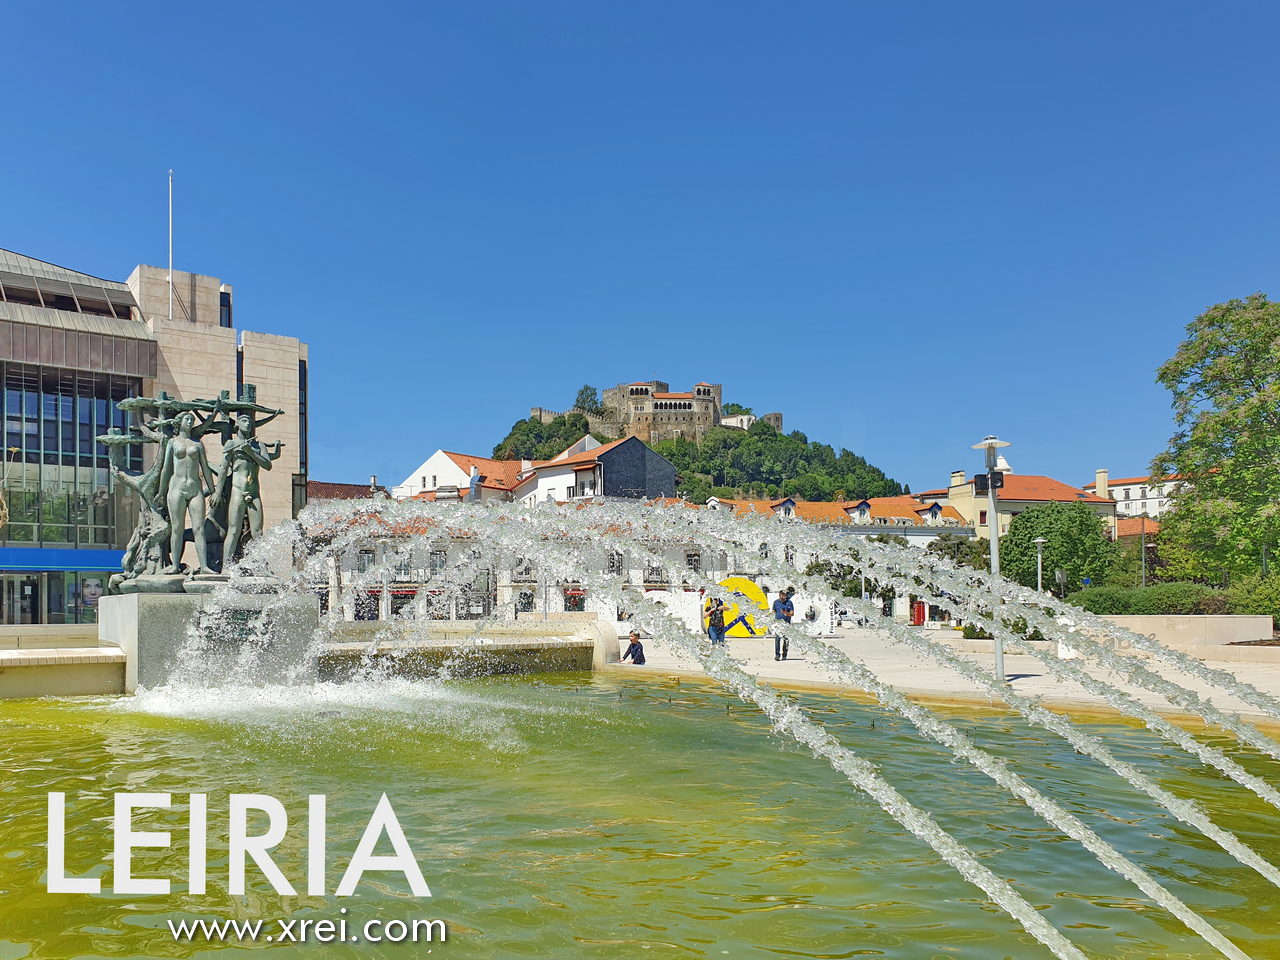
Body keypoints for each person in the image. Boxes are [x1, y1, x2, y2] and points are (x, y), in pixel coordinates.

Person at [772, 588, 795, 660]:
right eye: (781, 595)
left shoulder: (789, 602)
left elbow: (792, 613)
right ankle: (777, 655)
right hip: (778, 624)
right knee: (777, 639)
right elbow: (773, 611)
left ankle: (784, 654)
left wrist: (786, 613)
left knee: (786, 640)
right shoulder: (776, 602)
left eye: (784, 595)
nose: (782, 596)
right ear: (779, 595)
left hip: (786, 624)